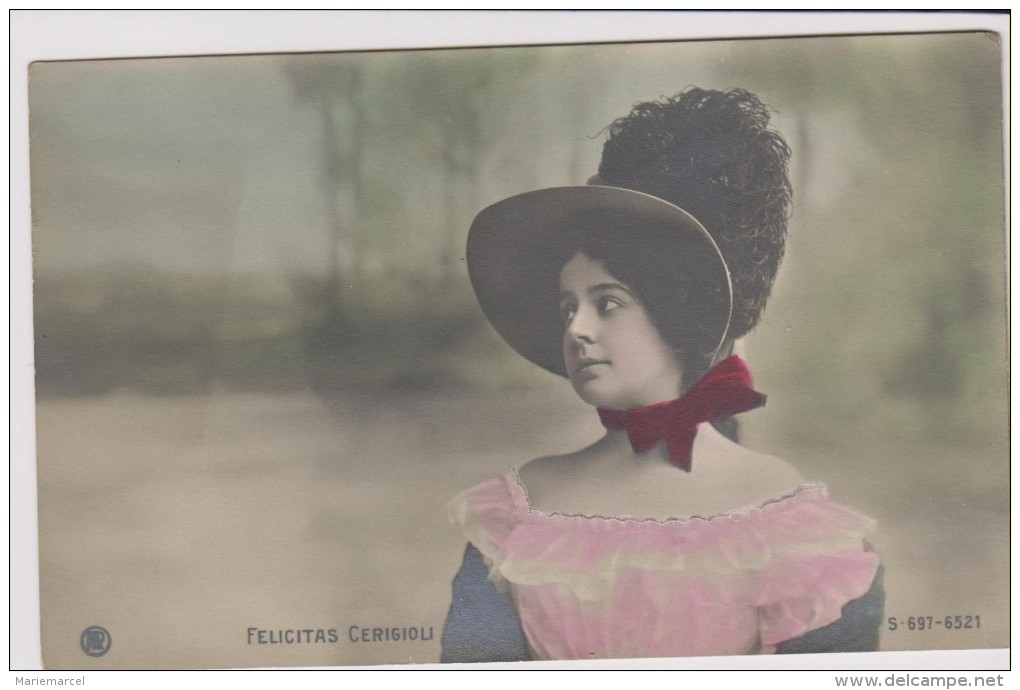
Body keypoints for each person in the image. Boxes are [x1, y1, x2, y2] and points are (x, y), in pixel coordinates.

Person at [441, 88, 883, 662]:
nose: (576, 329)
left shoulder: (793, 528)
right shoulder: (516, 517)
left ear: (676, 313)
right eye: (566, 307)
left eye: (608, 303)